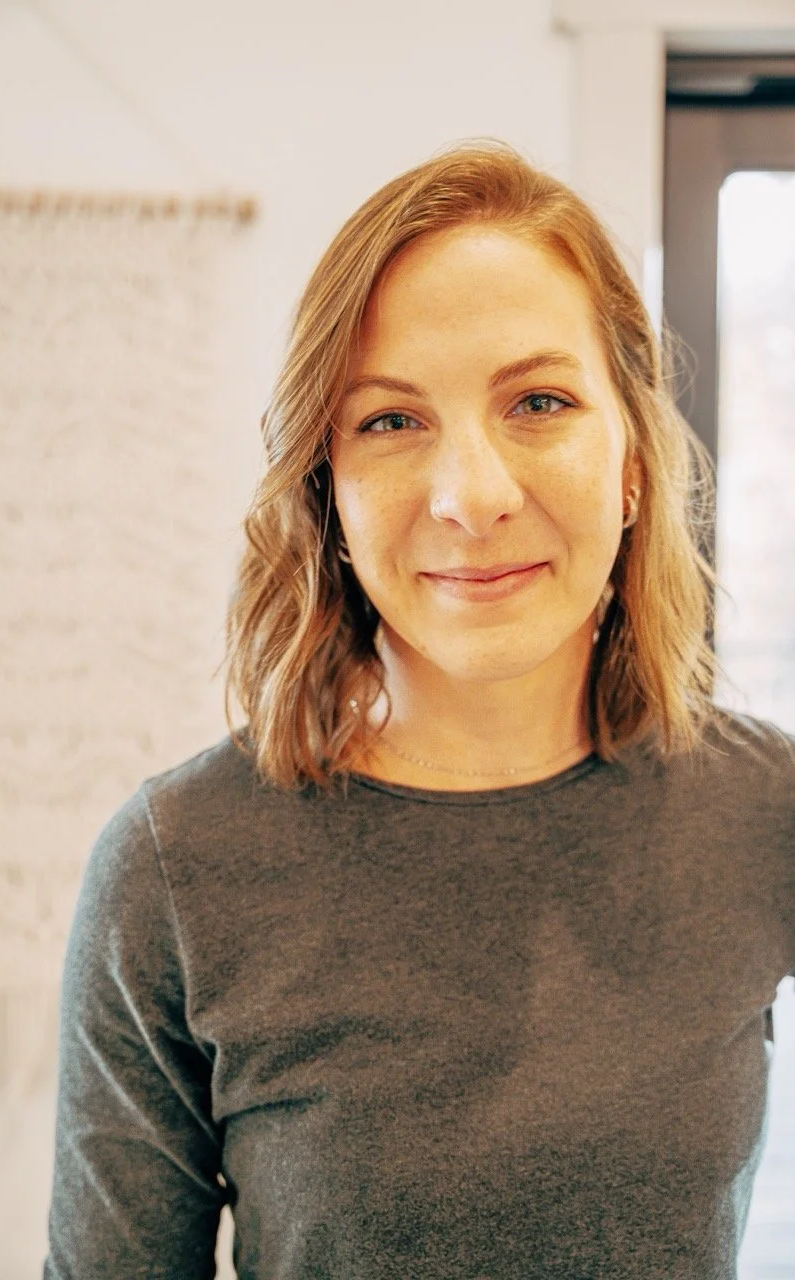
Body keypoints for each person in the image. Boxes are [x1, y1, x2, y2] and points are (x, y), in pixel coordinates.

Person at [43, 140, 795, 1280]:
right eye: (391, 421)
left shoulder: (763, 812)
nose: (473, 496)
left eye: (538, 401)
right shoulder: (175, 868)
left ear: (631, 457)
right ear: (324, 487)